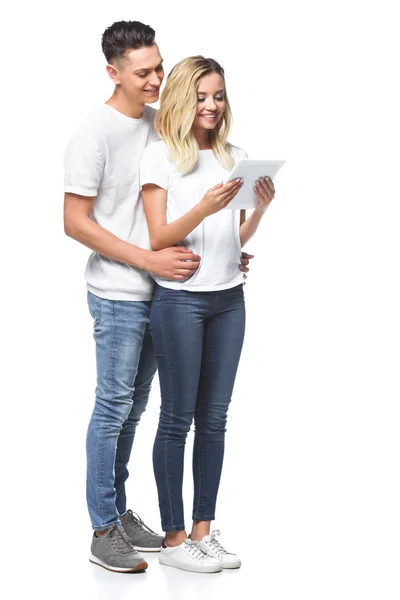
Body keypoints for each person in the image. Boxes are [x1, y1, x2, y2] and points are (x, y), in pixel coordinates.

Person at [63, 21, 252, 574]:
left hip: (170, 293)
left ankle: (122, 513)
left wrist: (224, 249)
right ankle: (104, 526)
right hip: (121, 291)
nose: (155, 79)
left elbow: (190, 192)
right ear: (113, 72)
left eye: (159, 68)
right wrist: (147, 259)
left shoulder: (162, 125)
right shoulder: (93, 133)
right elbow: (74, 221)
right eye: (143, 72)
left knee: (140, 410)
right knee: (114, 406)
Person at [140, 56, 276, 573]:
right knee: (176, 419)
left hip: (228, 299)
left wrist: (258, 209)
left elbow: (233, 239)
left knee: (214, 420)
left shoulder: (232, 156)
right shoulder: (161, 158)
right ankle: (175, 540)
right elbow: (158, 238)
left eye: (218, 95)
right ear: (180, 99)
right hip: (179, 301)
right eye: (200, 97)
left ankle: (203, 529)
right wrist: (204, 208)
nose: (211, 105)